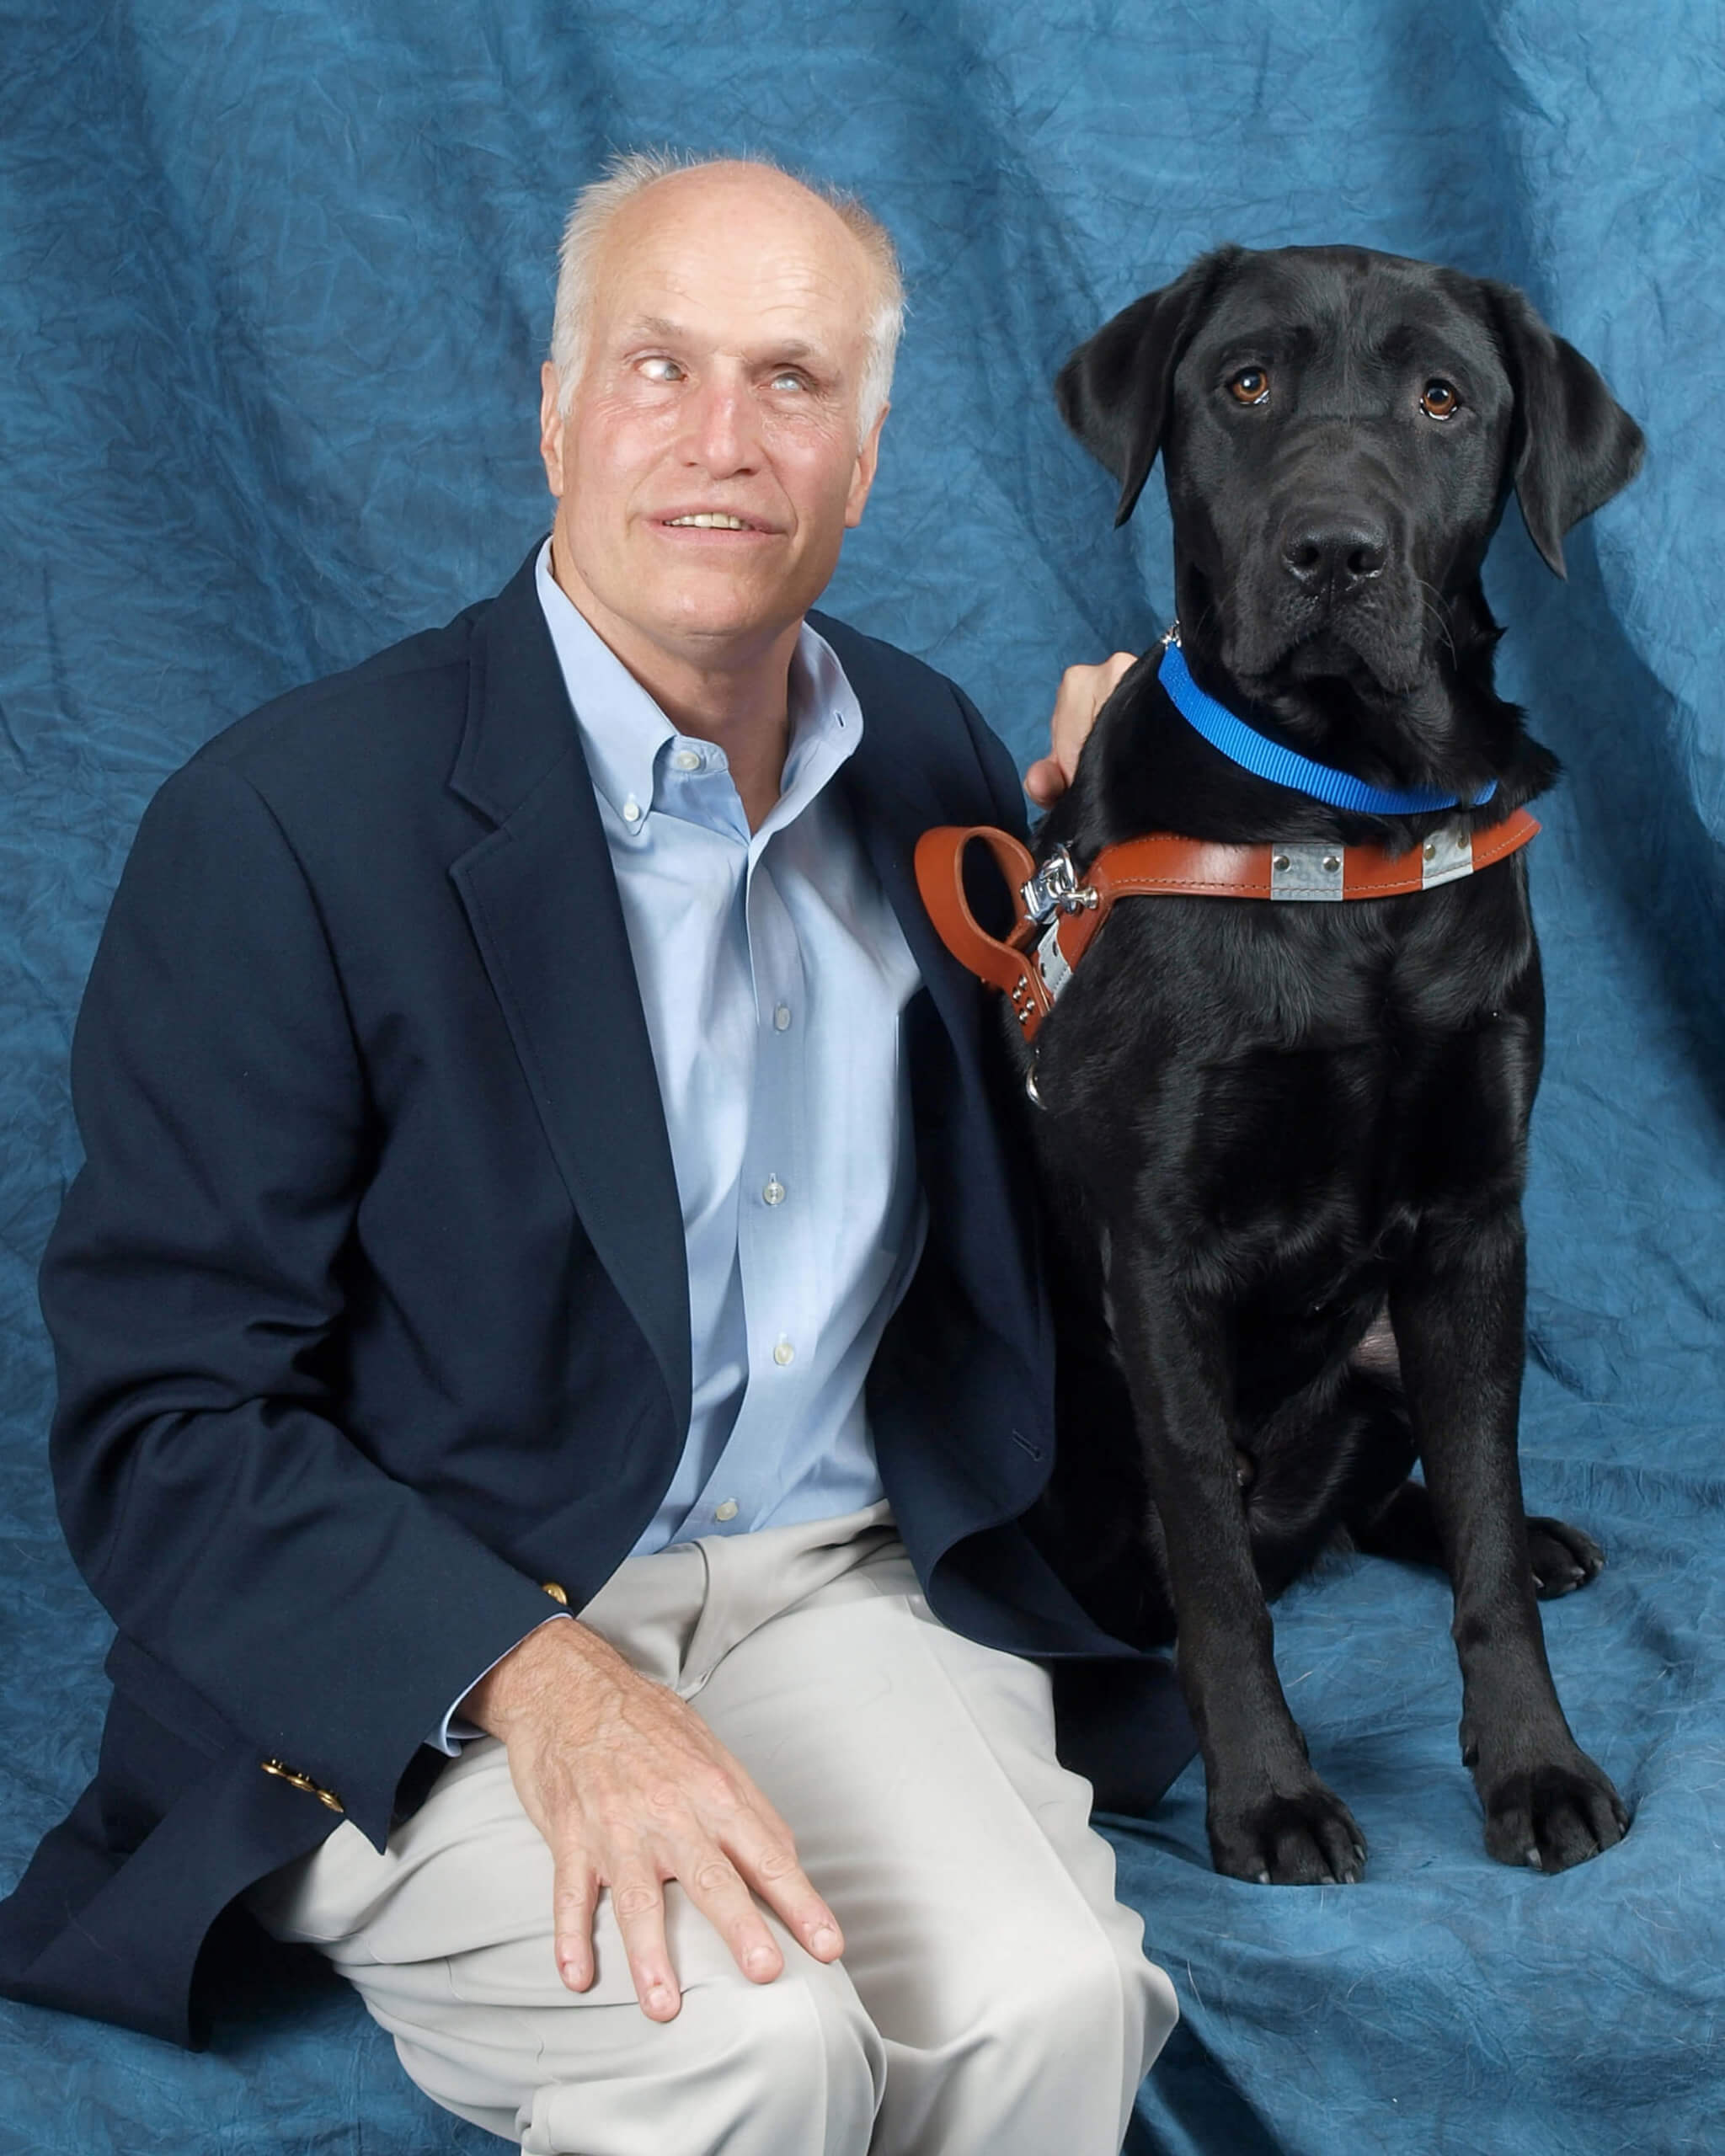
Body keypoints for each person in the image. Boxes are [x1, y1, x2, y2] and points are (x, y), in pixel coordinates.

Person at [0, 151, 1173, 2154]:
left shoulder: (932, 757)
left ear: (868, 455)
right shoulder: (287, 824)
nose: (723, 444)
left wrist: (1124, 892)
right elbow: (162, 1417)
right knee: (758, 2043)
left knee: (1055, 2005)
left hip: (832, 1583)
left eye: (792, 382)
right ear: (557, 411)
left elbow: (1067, 1199)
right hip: (457, 1623)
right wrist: (531, 1674)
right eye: (660, 369)